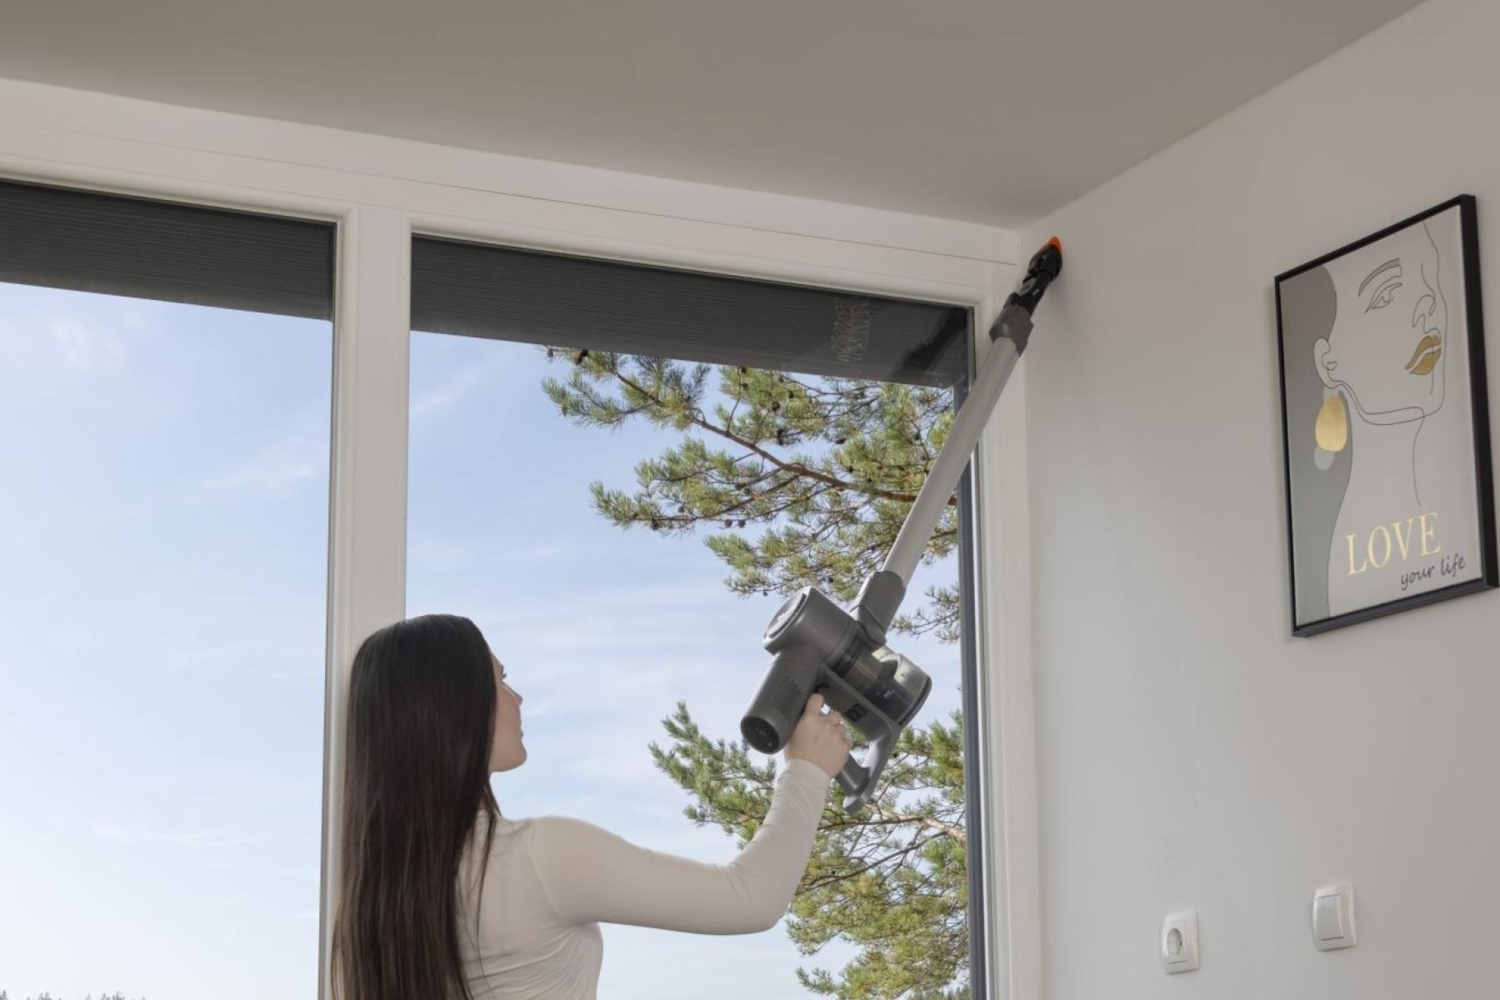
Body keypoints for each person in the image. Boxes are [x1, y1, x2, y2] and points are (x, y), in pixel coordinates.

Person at [330, 613, 851, 1000]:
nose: (516, 698)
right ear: (455, 706)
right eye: (500, 679)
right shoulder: (536, 857)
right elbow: (750, 898)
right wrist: (806, 771)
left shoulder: (373, 901)